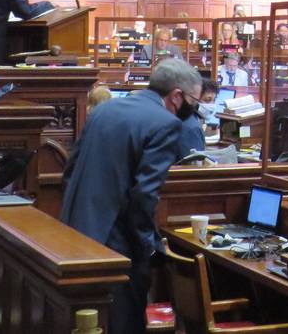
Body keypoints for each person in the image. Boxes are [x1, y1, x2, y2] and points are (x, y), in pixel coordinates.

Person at [61, 58, 195, 334]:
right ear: (177, 96)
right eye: (194, 101)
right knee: (124, 321)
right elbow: (144, 194)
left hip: (76, 230)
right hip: (119, 243)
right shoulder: (167, 123)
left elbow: (70, 169)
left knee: (86, 318)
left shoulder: (105, 109)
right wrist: (146, 246)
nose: (195, 109)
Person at [180, 78, 220, 153]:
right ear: (193, 99)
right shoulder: (192, 127)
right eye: (207, 100)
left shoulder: (190, 118)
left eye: (214, 100)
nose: (212, 105)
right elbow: (197, 161)